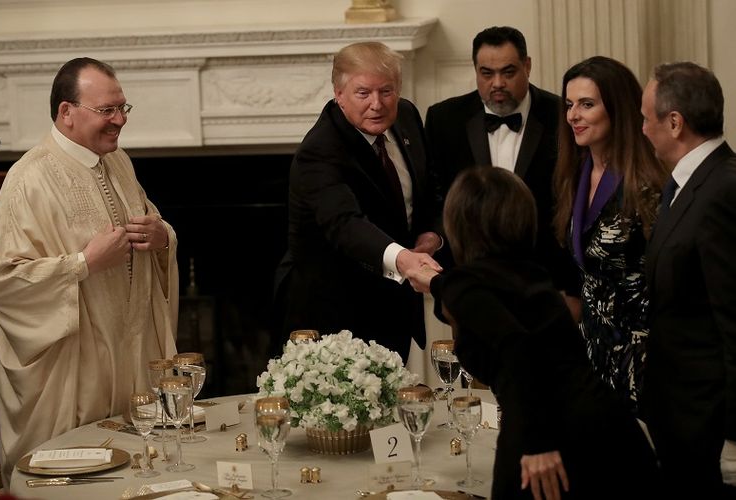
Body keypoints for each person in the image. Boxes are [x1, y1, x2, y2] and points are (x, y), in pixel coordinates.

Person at [407, 166, 659, 500]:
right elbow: (477, 297)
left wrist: (537, 444)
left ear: (459, 226)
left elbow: (517, 348)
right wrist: (437, 282)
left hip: (547, 432)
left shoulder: (467, 285)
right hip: (610, 428)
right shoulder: (531, 276)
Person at [0, 57, 178, 485]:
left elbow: (152, 223)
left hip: (131, 358)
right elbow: (2, 283)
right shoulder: (28, 179)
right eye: (106, 111)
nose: (119, 121)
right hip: (71, 375)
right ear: (66, 113)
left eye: (123, 108)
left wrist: (161, 237)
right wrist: (83, 264)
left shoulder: (119, 162)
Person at [276, 41, 441, 362]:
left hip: (392, 304)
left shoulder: (406, 115)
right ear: (339, 94)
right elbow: (345, 223)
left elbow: (430, 188)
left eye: (386, 91)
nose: (377, 104)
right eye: (363, 93)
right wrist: (404, 259)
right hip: (332, 315)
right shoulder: (320, 150)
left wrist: (433, 234)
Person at [425, 25, 579, 316]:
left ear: (527, 66)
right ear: (475, 70)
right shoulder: (444, 119)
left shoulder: (562, 116)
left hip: (547, 286)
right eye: (486, 73)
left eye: (508, 72)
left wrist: (570, 289)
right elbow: (436, 199)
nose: (497, 83)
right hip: (470, 285)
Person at [641, 62, 736, 499]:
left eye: (647, 118)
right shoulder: (688, 182)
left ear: (674, 122)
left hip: (705, 414)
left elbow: (732, 314)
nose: (642, 129)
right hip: (678, 407)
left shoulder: (723, 189)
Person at [553, 56, 667, 413]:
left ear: (617, 108)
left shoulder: (649, 182)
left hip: (645, 358)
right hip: (593, 352)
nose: (573, 115)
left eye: (587, 104)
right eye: (569, 105)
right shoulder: (577, 172)